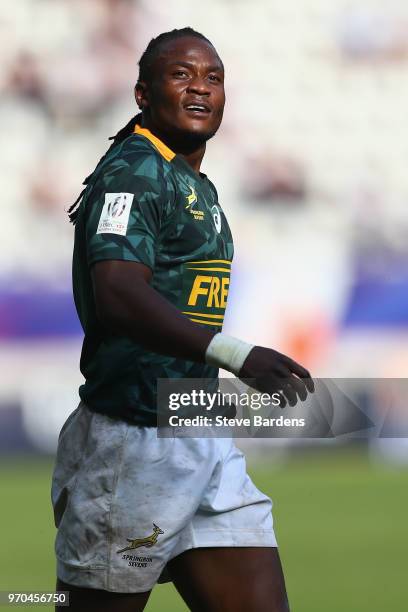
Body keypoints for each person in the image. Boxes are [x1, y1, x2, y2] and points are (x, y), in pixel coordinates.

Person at [52, 27, 313, 612]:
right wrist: (236, 355)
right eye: (182, 75)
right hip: (133, 438)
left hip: (197, 431)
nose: (200, 88)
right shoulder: (133, 172)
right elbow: (117, 293)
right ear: (142, 94)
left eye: (213, 78)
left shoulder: (192, 181)